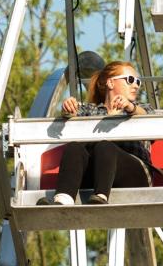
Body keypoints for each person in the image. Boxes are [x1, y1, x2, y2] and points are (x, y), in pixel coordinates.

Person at [40, 60, 150, 206]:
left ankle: (100, 197)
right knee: (74, 148)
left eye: (138, 81)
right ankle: (63, 200)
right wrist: (68, 110)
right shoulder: (90, 110)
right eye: (130, 80)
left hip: (133, 175)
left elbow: (147, 117)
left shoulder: (140, 109)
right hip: (95, 172)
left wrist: (130, 107)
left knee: (105, 147)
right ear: (110, 83)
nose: (136, 85)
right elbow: (70, 116)